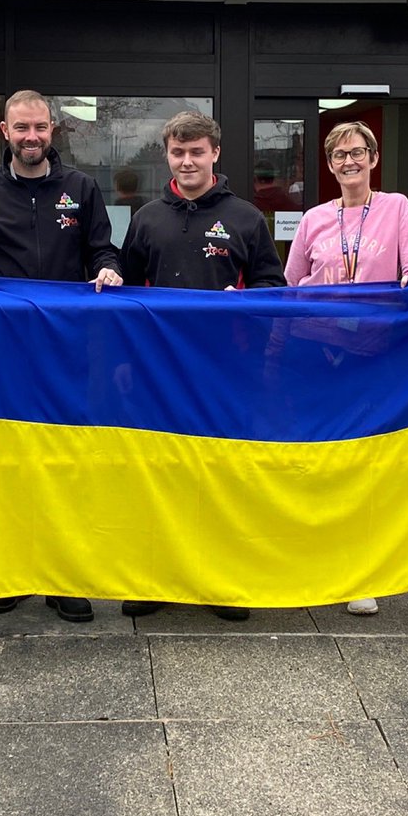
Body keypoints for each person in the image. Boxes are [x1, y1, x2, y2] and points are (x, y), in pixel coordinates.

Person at [0, 89, 123, 622]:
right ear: (4, 131)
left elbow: (103, 247)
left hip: (69, 350)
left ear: (54, 130)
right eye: (21, 128)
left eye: (41, 128)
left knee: (67, 459)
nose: (32, 137)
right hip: (5, 351)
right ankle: (12, 572)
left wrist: (108, 268)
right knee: (9, 460)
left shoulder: (81, 187)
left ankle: (63, 576)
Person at [119, 110, 286, 622]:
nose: (187, 161)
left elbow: (272, 289)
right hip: (159, 372)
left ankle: (221, 582)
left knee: (221, 475)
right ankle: (156, 580)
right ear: (167, 156)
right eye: (178, 152)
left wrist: (243, 301)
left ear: (215, 153)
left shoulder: (245, 218)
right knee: (160, 472)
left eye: (197, 152)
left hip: (227, 373)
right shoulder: (147, 218)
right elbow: (122, 295)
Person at [283, 119, 408, 616]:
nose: (349, 161)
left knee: (368, 461)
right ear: (329, 164)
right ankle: (316, 559)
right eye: (339, 154)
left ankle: (360, 572)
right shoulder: (313, 219)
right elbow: (290, 284)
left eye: (357, 152)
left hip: (374, 354)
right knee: (320, 457)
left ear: (373, 158)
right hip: (317, 353)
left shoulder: (396, 208)